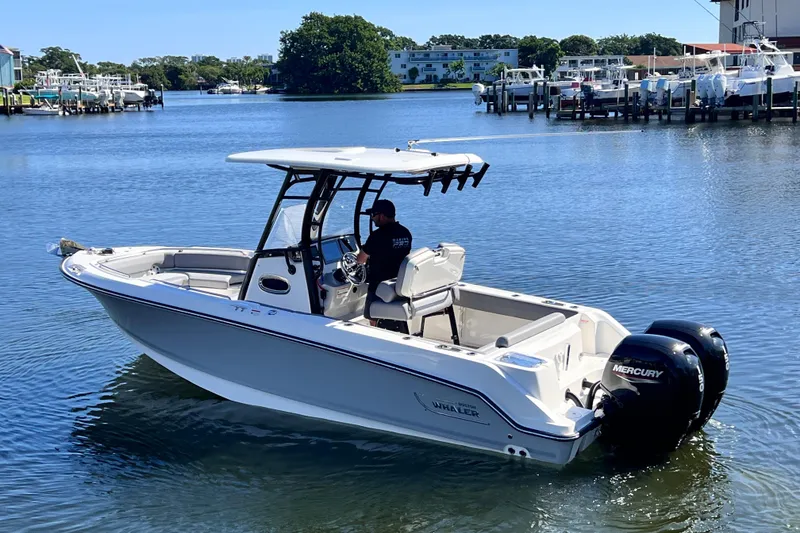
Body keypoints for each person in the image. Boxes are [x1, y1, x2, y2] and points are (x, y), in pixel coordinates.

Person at [356, 199, 412, 326]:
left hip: (379, 286)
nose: (372, 219)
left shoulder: (377, 236)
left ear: (381, 216)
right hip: (399, 283)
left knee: (372, 316)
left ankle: (376, 333)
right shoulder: (405, 233)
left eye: (373, 215)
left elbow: (360, 260)